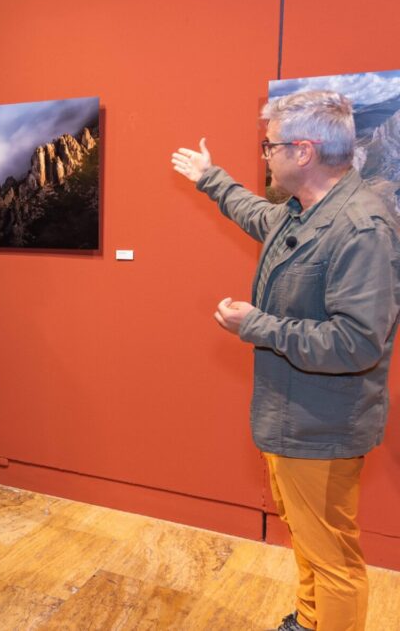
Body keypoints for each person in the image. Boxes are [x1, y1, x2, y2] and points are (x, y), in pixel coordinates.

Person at [171, 90, 400, 631]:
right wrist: (211, 179)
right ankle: (312, 619)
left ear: (303, 151)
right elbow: (258, 216)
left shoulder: (361, 228)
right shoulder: (308, 209)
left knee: (333, 557)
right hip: (294, 418)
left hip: (322, 426)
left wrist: (257, 326)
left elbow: (358, 343)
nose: (265, 154)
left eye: (269, 145)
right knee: (309, 537)